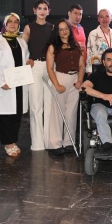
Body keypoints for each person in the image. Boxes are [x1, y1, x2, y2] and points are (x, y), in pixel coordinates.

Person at [0, 13, 29, 157]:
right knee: (6, 116)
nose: (13, 24)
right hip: (5, 84)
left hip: (19, 84)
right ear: (5, 24)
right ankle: (8, 144)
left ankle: (13, 141)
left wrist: (29, 62)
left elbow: (25, 59)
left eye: (16, 22)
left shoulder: (22, 41)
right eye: (10, 22)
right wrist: (1, 82)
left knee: (17, 114)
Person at [46, 19, 85, 155]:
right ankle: (55, 144)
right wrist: (56, 84)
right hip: (60, 78)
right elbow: (49, 68)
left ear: (70, 29)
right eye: (61, 29)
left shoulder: (77, 45)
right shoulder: (53, 47)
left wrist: (80, 80)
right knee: (57, 113)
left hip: (75, 80)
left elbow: (82, 65)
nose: (64, 31)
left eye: (66, 28)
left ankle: (69, 142)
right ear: (57, 32)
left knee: (71, 113)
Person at [22, 0, 55, 151]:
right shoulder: (28, 27)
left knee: (49, 105)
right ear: (34, 10)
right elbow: (23, 48)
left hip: (50, 67)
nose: (42, 11)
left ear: (49, 11)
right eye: (39, 8)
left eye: (45, 8)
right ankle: (37, 143)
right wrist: (27, 60)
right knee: (35, 106)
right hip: (34, 67)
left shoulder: (52, 28)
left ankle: (49, 141)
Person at [86, 8, 112, 73]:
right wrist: (89, 71)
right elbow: (89, 54)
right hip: (99, 68)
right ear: (98, 19)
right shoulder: (93, 34)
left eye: (107, 16)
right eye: (101, 17)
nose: (104, 19)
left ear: (110, 18)